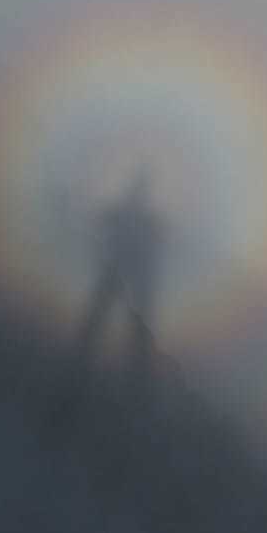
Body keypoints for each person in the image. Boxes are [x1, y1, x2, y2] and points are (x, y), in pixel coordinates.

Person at [73, 168, 165, 393]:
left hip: (125, 271)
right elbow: (102, 222)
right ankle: (133, 368)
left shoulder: (131, 213)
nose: (137, 192)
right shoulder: (134, 214)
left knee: (125, 319)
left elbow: (103, 222)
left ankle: (136, 369)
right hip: (123, 271)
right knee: (112, 316)